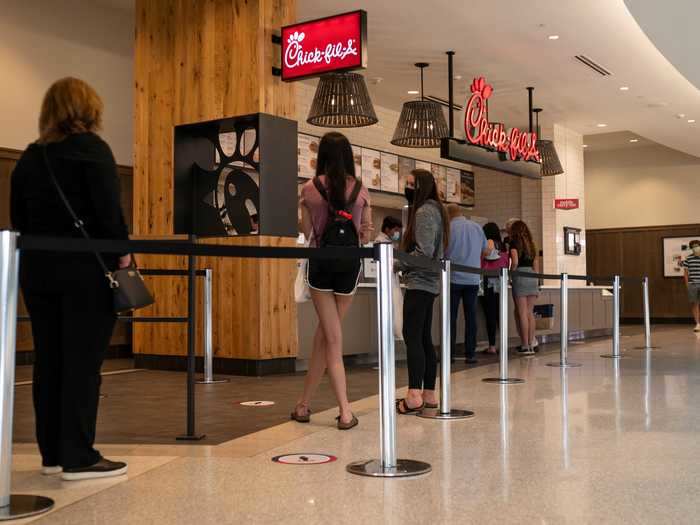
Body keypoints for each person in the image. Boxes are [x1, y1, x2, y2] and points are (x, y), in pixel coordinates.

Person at [10, 78, 130, 480]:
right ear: (89, 109)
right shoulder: (92, 151)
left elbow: (19, 220)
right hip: (85, 274)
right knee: (82, 363)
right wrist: (123, 257)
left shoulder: (30, 158)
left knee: (49, 361)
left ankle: (52, 454)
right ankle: (78, 455)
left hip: (37, 273)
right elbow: (109, 214)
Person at [293, 132, 372, 430]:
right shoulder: (362, 190)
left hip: (321, 265)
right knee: (327, 336)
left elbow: (305, 230)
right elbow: (366, 232)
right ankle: (304, 404)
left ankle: (344, 410)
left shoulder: (309, 190)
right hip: (349, 268)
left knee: (330, 337)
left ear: (321, 156)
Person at [395, 169, 449, 414]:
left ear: (421, 186)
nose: (406, 188)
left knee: (413, 337)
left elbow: (424, 252)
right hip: (429, 284)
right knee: (424, 338)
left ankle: (414, 394)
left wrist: (398, 262)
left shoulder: (425, 211)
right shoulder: (436, 210)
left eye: (410, 184)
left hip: (420, 282)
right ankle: (429, 392)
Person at [445, 204, 489, 365]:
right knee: (471, 317)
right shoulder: (476, 227)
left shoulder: (447, 229)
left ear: (448, 215)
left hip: (452, 279)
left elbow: (441, 252)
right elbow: (486, 251)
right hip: (472, 279)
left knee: (451, 318)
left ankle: (448, 354)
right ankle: (470, 354)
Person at [509, 220, 540, 356]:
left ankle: (525, 345)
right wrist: (537, 280)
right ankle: (532, 345)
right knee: (530, 313)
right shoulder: (532, 245)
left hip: (520, 276)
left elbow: (515, 261)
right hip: (532, 277)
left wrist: (511, 273)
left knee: (522, 313)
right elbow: (536, 265)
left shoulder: (514, 243)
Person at [480, 222, 510, 354]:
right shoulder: (504, 245)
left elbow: (485, 257)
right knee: (500, 313)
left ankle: (492, 345)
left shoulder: (489, 242)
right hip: (501, 280)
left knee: (489, 314)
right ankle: (503, 343)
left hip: (488, 281)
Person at [375, 216, 404, 341]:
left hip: (392, 282)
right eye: (395, 230)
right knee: (392, 313)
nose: (397, 233)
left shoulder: (388, 242)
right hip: (387, 285)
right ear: (387, 229)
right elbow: (392, 265)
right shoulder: (381, 242)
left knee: (396, 311)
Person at [682, 239, 700, 332]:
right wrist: (687, 284)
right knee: (695, 304)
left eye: (697, 246)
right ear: (691, 248)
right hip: (692, 284)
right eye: (693, 247)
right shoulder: (688, 258)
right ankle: (698, 324)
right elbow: (685, 273)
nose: (695, 248)